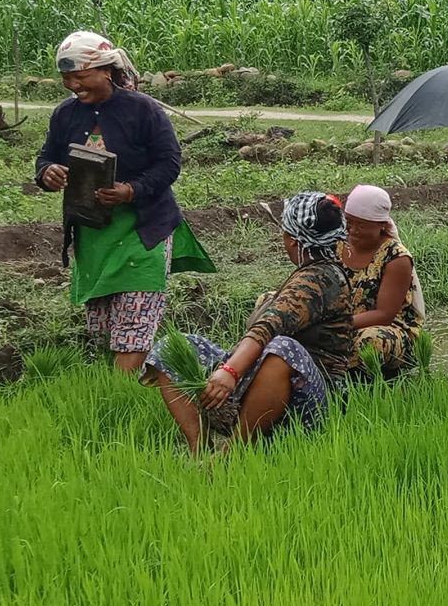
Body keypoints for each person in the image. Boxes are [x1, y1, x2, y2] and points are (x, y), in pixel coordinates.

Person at [36, 30, 214, 372]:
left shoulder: (142, 110)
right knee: (102, 331)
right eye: (66, 78)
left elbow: (169, 162)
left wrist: (131, 190)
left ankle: (122, 397)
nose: (73, 85)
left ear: (106, 70)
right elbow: (46, 158)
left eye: (80, 76)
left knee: (132, 329)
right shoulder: (65, 116)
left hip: (141, 232)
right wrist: (47, 173)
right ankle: (123, 390)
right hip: (94, 234)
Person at [147, 192, 357, 451]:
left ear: (292, 240)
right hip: (267, 383)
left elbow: (268, 327)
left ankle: (232, 453)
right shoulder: (312, 272)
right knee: (171, 348)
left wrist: (229, 372)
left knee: (283, 348)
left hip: (316, 397)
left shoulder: (321, 280)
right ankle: (200, 449)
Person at [337, 184, 424, 378]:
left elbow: (384, 314)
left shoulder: (396, 257)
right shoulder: (338, 244)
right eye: (349, 222)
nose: (353, 230)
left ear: (381, 225)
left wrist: (336, 324)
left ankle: (363, 383)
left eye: (362, 225)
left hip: (385, 329)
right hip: (339, 322)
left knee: (371, 342)